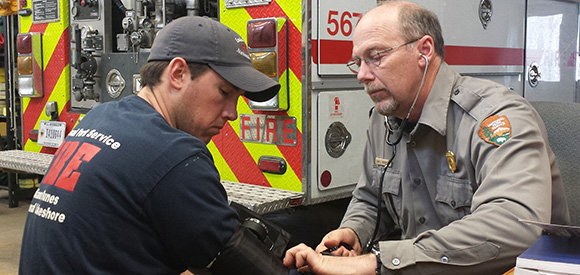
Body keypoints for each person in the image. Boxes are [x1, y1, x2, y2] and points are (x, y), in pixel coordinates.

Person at [283, 1, 570, 274]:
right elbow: (371, 198)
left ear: (424, 51)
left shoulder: (494, 117)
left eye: (375, 57)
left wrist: (379, 263)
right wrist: (354, 233)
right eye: (357, 62)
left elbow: (514, 226)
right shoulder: (385, 119)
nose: (361, 75)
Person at [19, 16, 281, 274]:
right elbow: (238, 260)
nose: (232, 113)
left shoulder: (100, 116)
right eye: (224, 92)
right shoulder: (174, 154)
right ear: (178, 73)